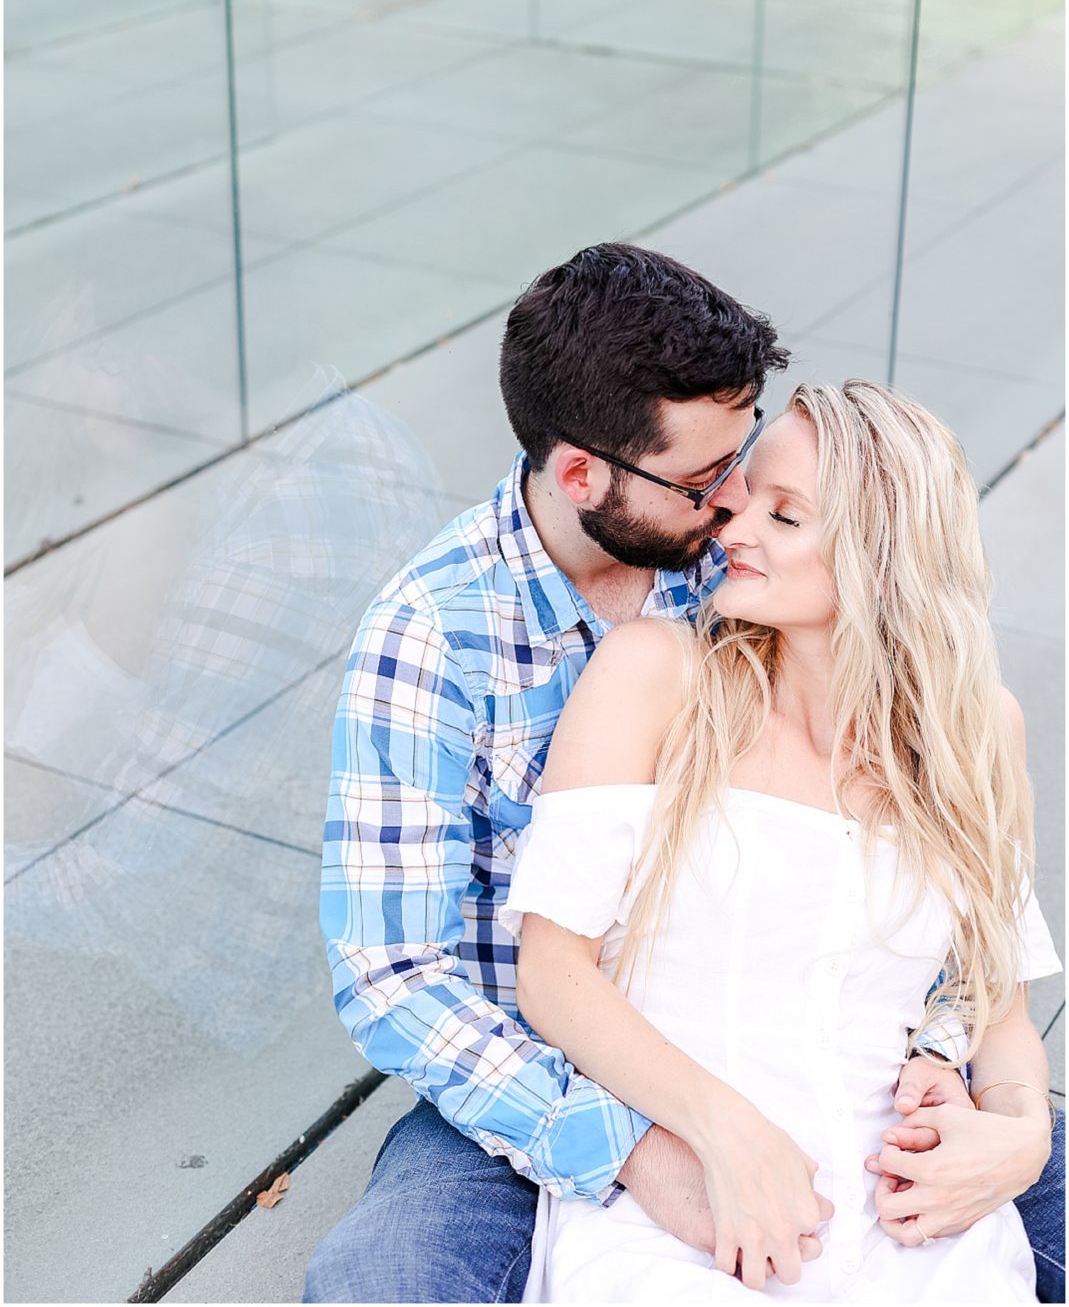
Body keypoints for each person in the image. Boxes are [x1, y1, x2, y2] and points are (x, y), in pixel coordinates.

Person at [304, 245, 1063, 1304]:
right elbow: (397, 977)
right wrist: (643, 1146)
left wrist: (995, 1110)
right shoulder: (434, 635)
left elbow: (957, 942)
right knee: (381, 1286)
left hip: (838, 1037)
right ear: (583, 476)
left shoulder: (747, 561)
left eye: (747, 471)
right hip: (530, 1070)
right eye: (709, 483)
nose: (730, 508)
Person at [505, 380, 1061, 1300]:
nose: (732, 525)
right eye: (743, 494)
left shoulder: (978, 732)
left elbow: (991, 996)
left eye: (785, 514)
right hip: (686, 1210)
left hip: (911, 1213)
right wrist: (719, 1130)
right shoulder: (654, 675)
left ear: (882, 558)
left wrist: (1014, 1134)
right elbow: (552, 972)